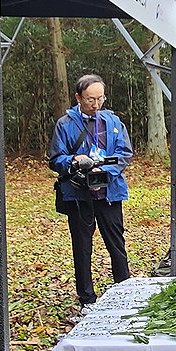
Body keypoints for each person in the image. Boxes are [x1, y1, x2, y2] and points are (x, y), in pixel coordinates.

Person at [48, 74, 133, 307]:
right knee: (82, 247)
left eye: (100, 99)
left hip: (110, 192)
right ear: (78, 98)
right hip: (78, 194)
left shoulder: (114, 122)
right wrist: (75, 160)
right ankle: (87, 299)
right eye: (89, 100)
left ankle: (124, 290)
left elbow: (125, 153)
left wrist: (104, 172)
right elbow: (55, 158)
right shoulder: (65, 124)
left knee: (116, 243)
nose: (95, 105)